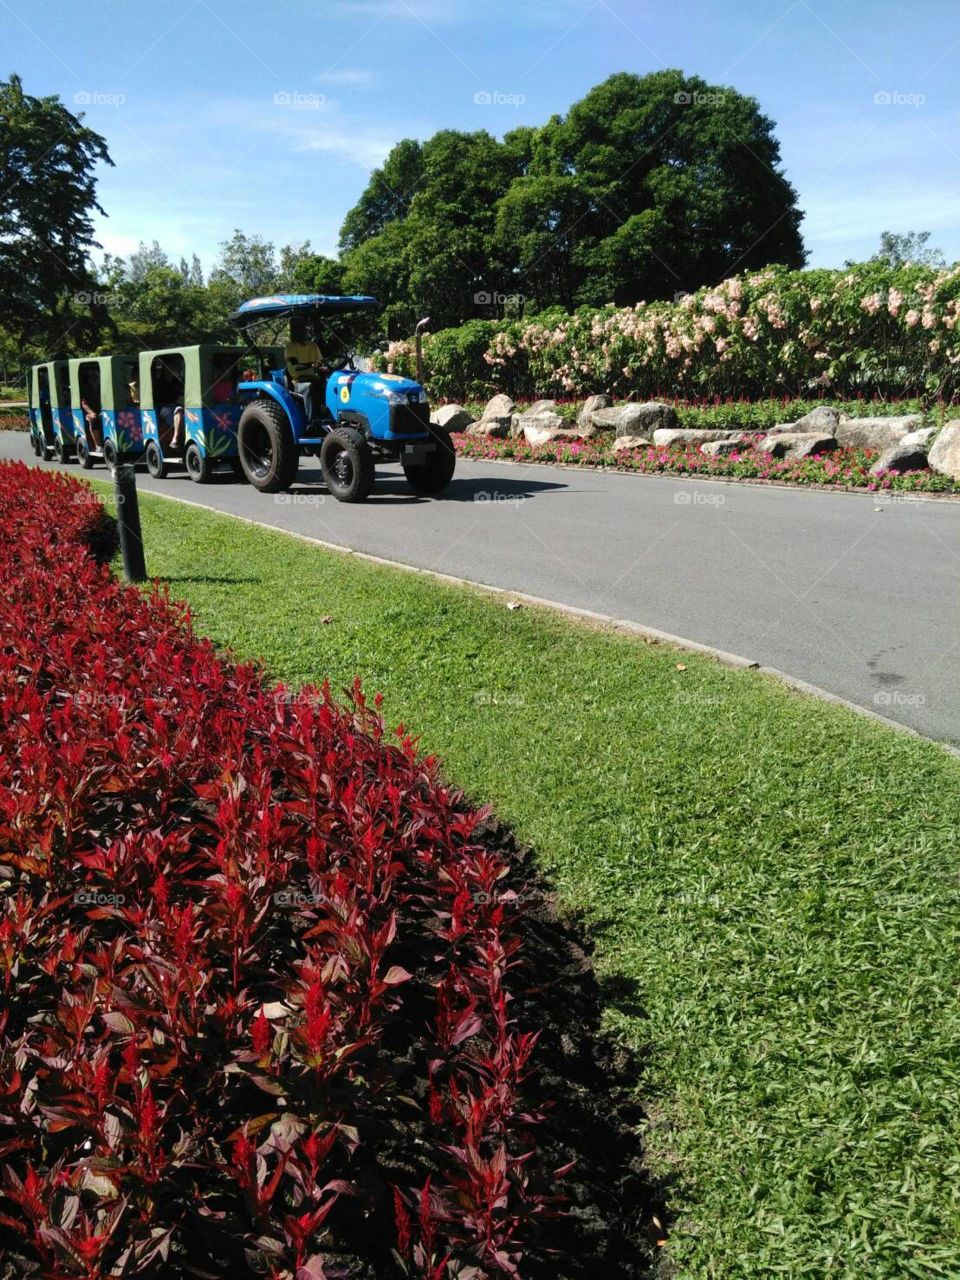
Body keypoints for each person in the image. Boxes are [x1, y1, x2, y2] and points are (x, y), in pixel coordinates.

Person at [284, 316, 329, 424]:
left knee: (332, 384)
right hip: (298, 382)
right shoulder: (290, 348)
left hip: (315, 378)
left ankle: (329, 414)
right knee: (309, 386)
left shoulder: (313, 346)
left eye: (303, 327)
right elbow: (296, 367)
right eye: (297, 328)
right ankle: (311, 421)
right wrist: (312, 365)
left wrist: (323, 368)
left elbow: (320, 363)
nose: (301, 330)